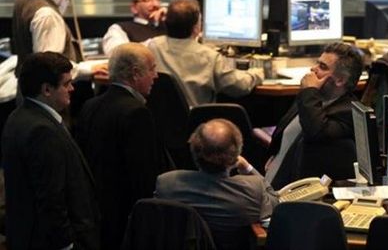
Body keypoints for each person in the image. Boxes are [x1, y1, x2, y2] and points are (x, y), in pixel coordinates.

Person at [1, 52, 100, 250]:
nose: (72, 89)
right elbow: (51, 199)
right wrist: (66, 244)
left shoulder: (18, 116)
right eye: (66, 84)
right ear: (46, 89)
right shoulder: (42, 131)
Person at [74, 43, 168, 250]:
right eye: (152, 69)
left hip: (94, 213)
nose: (156, 76)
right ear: (135, 73)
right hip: (125, 219)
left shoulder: (90, 105)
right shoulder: (137, 113)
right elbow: (143, 176)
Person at [155, 119, 279, 250]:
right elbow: (275, 202)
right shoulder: (254, 189)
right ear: (236, 154)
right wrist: (247, 168)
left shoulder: (166, 184)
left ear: (194, 149)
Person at [265, 42, 364, 190]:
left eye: (322, 67)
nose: (313, 69)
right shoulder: (313, 98)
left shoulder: (348, 113)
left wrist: (309, 91)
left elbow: (315, 132)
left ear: (340, 80)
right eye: (317, 63)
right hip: (272, 182)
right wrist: (276, 153)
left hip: (292, 193)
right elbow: (287, 131)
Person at [147, 0, 263, 107]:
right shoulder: (209, 57)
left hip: (160, 119)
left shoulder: (153, 46)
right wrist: (255, 74)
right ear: (196, 28)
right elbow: (239, 87)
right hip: (197, 120)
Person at [12, 0, 107, 79]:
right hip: (47, 91)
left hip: (25, 87)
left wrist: (59, 3)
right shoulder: (48, 14)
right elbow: (51, 67)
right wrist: (88, 70)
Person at [101, 0, 167, 56]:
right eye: (147, 0)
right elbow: (118, 55)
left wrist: (173, 20)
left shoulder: (169, 25)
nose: (155, 4)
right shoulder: (119, 29)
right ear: (134, 8)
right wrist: (158, 43)